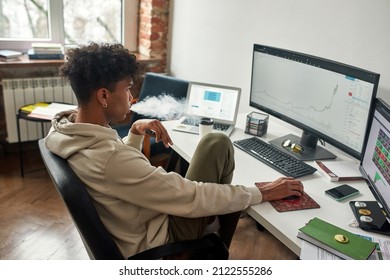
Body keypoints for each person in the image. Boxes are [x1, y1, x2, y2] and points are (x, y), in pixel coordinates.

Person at [45, 42, 304, 258]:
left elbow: (111, 170)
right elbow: (191, 196)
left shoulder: (67, 132)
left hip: (138, 220)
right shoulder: (110, 159)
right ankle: (213, 250)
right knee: (218, 144)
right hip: (160, 242)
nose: (132, 98)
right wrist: (261, 192)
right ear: (103, 96)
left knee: (214, 144)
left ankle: (215, 236)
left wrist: (134, 132)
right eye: (127, 89)